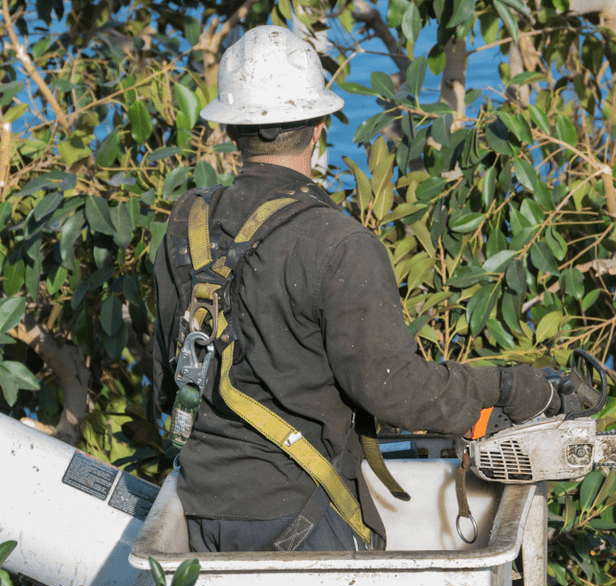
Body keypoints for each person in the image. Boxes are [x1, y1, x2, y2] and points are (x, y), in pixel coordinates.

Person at [152, 25, 555, 553]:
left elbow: (165, 382)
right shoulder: (338, 242)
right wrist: (508, 389)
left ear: (232, 129)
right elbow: (393, 389)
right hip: (301, 514)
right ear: (319, 127)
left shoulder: (188, 224)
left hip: (202, 513)